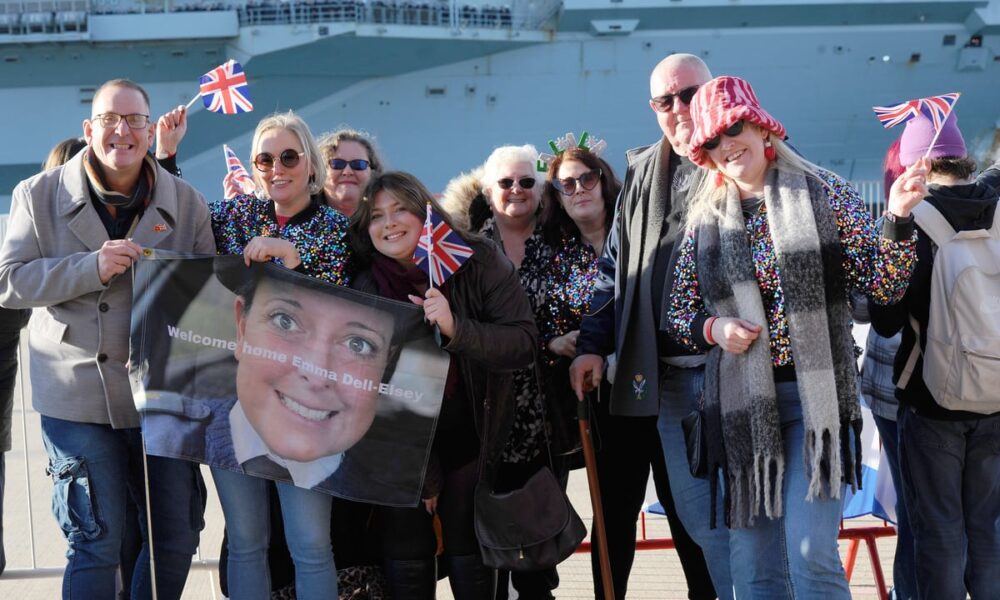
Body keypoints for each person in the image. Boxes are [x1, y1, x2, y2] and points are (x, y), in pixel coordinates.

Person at [667, 75, 923, 598]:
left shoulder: (824, 192)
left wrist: (897, 218)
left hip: (817, 405)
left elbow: (884, 286)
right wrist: (715, 329)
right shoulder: (704, 218)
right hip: (741, 407)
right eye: (712, 139)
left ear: (762, 128)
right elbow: (678, 313)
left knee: (811, 554)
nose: (725, 144)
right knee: (752, 568)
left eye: (733, 128)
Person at [0, 78, 214, 599]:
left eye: (135, 120)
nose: (123, 130)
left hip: (159, 400)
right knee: (96, 538)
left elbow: (207, 302)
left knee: (176, 536)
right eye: (110, 119)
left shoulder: (186, 203)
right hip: (76, 395)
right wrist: (89, 268)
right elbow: (10, 281)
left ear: (150, 129)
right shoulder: (37, 195)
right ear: (89, 128)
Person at [568, 53, 735, 599]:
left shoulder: (738, 155)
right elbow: (613, 270)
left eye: (689, 94)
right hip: (660, 378)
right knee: (692, 521)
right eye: (666, 100)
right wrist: (590, 346)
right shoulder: (644, 172)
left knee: (734, 521)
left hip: (733, 372)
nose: (679, 108)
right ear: (653, 107)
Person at [348, 170, 538, 599]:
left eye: (401, 210)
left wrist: (456, 328)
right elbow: (365, 389)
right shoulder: (367, 284)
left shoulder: (478, 259)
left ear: (426, 214)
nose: (389, 223)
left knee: (464, 529)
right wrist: (424, 471)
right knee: (405, 533)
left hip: (473, 429)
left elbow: (522, 343)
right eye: (376, 215)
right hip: (402, 441)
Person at [540, 142, 716, 599]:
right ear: (556, 196)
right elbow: (535, 317)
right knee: (615, 515)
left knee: (684, 507)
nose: (579, 189)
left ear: (604, 181)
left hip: (665, 385)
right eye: (566, 184)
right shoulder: (553, 252)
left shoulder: (645, 232)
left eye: (587, 178)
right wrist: (559, 342)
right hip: (608, 400)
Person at [209, 110, 349, 599]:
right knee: (246, 541)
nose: (277, 168)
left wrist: (293, 260)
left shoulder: (335, 227)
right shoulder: (234, 216)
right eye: (264, 159)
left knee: (310, 544)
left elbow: (340, 312)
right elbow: (175, 220)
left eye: (289, 156)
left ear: (311, 163)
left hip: (306, 407)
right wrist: (166, 155)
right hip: (236, 401)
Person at [869, 111, 1000, 600]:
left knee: (940, 532)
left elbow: (885, 319)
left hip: (931, 401)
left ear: (913, 164)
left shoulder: (914, 220)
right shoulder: (997, 208)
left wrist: (894, 226)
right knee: (987, 531)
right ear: (963, 158)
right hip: (996, 396)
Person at [853, 137, 915, 600]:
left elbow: (862, 309)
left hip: (891, 390)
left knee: (913, 509)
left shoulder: (886, 228)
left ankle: (909, 590)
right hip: (972, 386)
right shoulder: (980, 222)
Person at [318, 128, 384, 217]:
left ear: (373, 172)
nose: (347, 172)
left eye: (358, 164)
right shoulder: (301, 221)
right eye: (337, 164)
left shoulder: (390, 222)